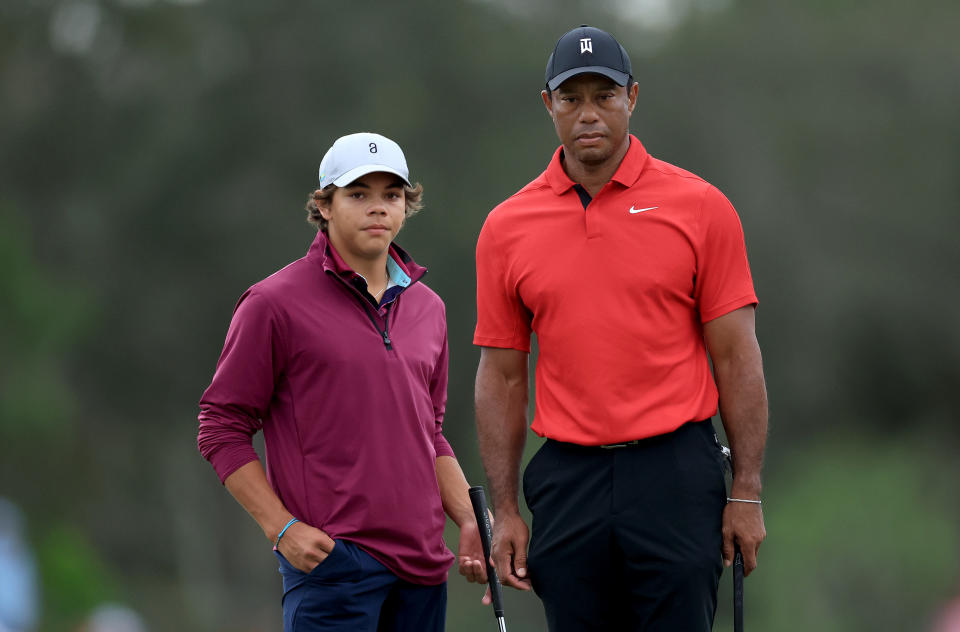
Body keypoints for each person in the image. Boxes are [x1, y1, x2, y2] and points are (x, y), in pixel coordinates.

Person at [473, 25, 769, 631]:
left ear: (631, 98)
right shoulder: (507, 226)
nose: (588, 113)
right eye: (571, 97)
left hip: (675, 473)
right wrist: (504, 511)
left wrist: (746, 490)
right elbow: (502, 378)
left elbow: (737, 358)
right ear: (548, 104)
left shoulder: (700, 207)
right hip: (567, 477)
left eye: (603, 96)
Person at [198, 132, 487, 631]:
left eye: (390, 195)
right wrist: (281, 528)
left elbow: (429, 432)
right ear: (324, 206)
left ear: (405, 206)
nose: (378, 208)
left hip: (421, 570)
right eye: (359, 195)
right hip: (334, 566)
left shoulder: (429, 308)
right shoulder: (274, 304)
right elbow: (220, 426)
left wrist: (468, 519)